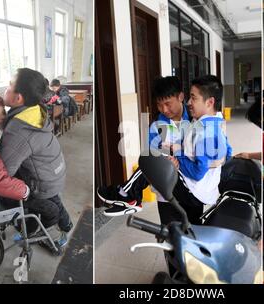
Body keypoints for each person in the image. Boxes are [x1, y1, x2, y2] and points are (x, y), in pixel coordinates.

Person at [98, 75, 232, 225]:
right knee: (169, 236)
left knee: (191, 234)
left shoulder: (196, 118)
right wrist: (170, 161)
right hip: (166, 192)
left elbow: (221, 153)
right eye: (160, 105)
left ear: (180, 96)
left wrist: (181, 158)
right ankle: (127, 194)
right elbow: (153, 155)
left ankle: (127, 194)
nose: (164, 109)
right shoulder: (157, 126)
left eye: (168, 104)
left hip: (191, 187)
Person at [0, 68, 73, 254]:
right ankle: (64, 226)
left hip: (44, 180)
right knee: (55, 199)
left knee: (8, 196)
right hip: (53, 170)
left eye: (9, 84)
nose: (6, 87)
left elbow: (4, 171)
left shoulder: (19, 131)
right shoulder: (34, 108)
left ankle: (48, 231)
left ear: (18, 98)